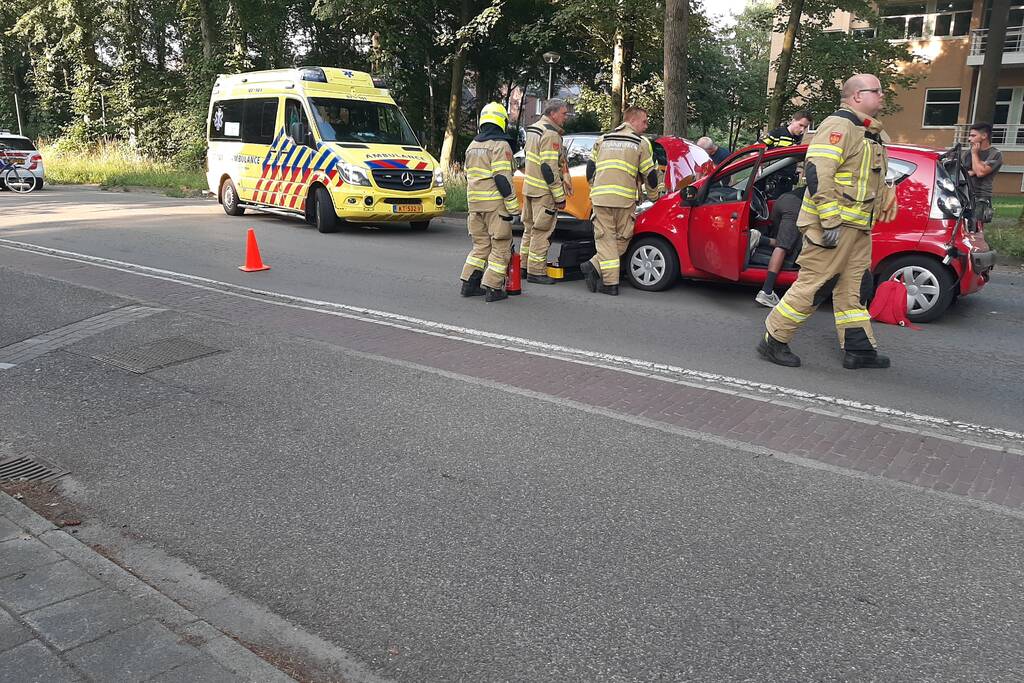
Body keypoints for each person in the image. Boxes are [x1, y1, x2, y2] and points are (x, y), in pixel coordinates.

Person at [758, 74, 898, 370]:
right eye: (877, 91)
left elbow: (869, 175)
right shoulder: (839, 126)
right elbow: (818, 172)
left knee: (854, 289)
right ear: (857, 96)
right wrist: (831, 220)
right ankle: (774, 338)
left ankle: (859, 349)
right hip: (833, 227)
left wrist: (888, 192)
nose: (882, 95)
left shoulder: (870, 132)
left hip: (858, 229)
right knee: (814, 284)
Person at [582, 106, 659, 296]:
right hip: (625, 200)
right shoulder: (640, 143)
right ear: (632, 120)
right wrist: (654, 197)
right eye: (644, 121)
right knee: (622, 238)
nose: (646, 126)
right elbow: (650, 175)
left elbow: (590, 169)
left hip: (601, 199)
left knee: (606, 239)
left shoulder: (603, 140)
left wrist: (595, 189)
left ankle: (594, 266)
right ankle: (610, 284)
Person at [459, 102, 521, 302]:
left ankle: (469, 284)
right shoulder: (500, 145)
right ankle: (493, 288)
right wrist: (513, 207)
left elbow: (468, 175)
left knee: (480, 246)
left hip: (474, 204)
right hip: (494, 205)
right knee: (501, 246)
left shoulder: (472, 145)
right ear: (501, 121)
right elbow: (502, 178)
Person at [521, 99, 569, 285]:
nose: (566, 117)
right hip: (543, 192)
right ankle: (536, 271)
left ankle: (524, 267)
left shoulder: (534, 129)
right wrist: (559, 197)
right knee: (541, 232)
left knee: (529, 230)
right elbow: (548, 168)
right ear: (553, 113)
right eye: (564, 113)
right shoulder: (550, 134)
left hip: (530, 189)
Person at [754, 183, 806, 308]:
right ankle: (766, 291)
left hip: (782, 200)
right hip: (795, 206)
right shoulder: (831, 183)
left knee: (782, 242)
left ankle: (759, 239)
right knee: (783, 246)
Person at [960, 122, 1003, 226]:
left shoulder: (995, 154)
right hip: (965, 195)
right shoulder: (966, 154)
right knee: (962, 226)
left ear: (984, 136)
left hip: (981, 197)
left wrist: (974, 154)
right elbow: (961, 172)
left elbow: (980, 172)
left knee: (975, 227)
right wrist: (976, 168)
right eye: (970, 136)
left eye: (973, 136)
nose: (969, 139)